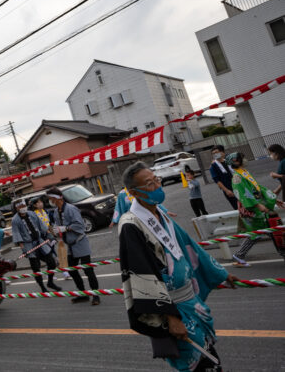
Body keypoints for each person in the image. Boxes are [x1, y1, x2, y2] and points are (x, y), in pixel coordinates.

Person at [118, 161, 239, 371]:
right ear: (133, 193)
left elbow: (188, 245)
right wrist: (170, 317)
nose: (157, 186)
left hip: (190, 301)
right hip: (172, 308)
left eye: (156, 180)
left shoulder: (160, 214)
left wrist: (221, 273)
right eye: (149, 184)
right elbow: (142, 273)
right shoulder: (131, 224)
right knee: (198, 364)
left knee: (209, 356)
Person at [226, 152, 285, 267]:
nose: (245, 159)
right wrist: (258, 205)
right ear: (236, 161)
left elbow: (258, 188)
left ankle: (239, 255)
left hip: (257, 207)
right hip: (252, 210)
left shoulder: (244, 173)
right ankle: (239, 255)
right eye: (242, 158)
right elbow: (243, 194)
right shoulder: (237, 177)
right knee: (266, 232)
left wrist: (273, 199)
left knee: (265, 232)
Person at [48, 187, 100, 305]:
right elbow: (58, 227)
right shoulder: (56, 212)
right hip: (70, 245)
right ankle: (83, 294)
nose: (50, 200)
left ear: (58, 198)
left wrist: (66, 228)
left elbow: (80, 226)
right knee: (72, 270)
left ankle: (96, 295)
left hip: (80, 242)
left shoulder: (72, 209)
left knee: (88, 270)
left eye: (51, 198)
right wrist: (56, 232)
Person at [11, 200, 62, 292]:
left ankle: (50, 282)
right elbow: (17, 234)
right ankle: (42, 287)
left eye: (24, 205)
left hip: (40, 242)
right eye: (20, 206)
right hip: (28, 245)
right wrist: (23, 249)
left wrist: (50, 235)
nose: (23, 208)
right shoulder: (15, 220)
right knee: (36, 268)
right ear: (17, 208)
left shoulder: (32, 214)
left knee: (51, 262)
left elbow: (42, 226)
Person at [209, 145, 238, 210]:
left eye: (216, 152)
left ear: (222, 152)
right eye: (213, 154)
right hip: (228, 189)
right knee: (237, 207)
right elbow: (217, 180)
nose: (215, 154)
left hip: (237, 185)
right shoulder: (213, 166)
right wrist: (226, 191)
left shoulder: (228, 161)